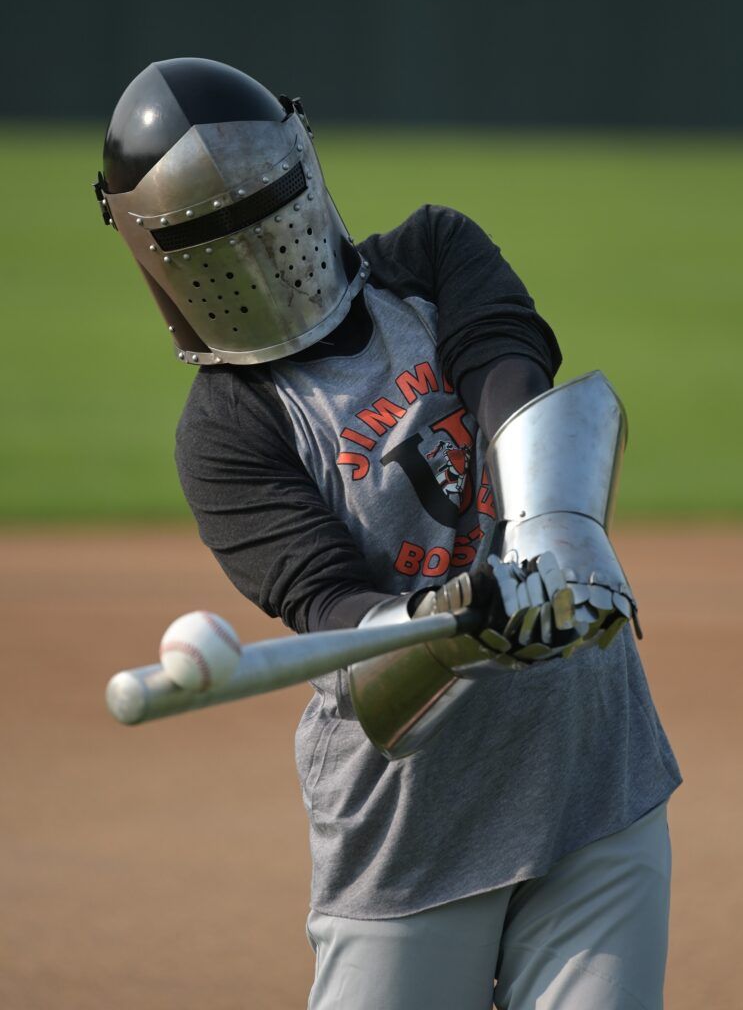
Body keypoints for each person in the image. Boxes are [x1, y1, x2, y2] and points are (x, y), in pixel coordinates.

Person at [96, 57, 681, 1009]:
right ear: (159, 254)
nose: (250, 252)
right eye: (208, 236)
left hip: (594, 778)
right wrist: (459, 618)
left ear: (304, 172)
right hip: (415, 836)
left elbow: (508, 367)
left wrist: (551, 539)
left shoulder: (431, 256)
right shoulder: (226, 431)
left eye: (264, 208)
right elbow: (331, 608)